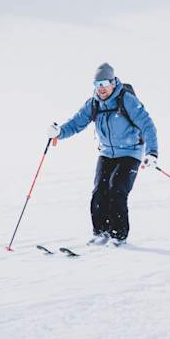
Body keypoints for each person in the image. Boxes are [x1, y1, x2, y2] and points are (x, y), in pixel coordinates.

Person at [48, 63, 159, 246]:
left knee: (117, 190)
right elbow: (76, 123)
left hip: (130, 152)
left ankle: (118, 235)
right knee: (100, 191)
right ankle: (101, 232)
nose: (101, 88)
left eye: (105, 83)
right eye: (97, 84)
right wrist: (59, 132)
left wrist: (152, 152)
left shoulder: (127, 100)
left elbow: (147, 125)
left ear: (113, 82)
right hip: (107, 152)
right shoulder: (93, 104)